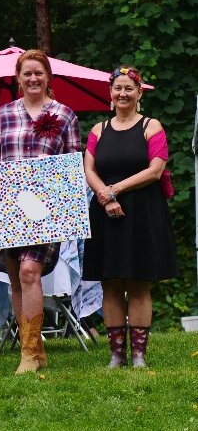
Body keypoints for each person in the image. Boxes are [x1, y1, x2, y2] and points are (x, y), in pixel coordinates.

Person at [0, 49, 81, 374]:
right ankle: (35, 351)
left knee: (29, 272)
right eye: (27, 73)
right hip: (9, 210)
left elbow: (73, 164)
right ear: (18, 78)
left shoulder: (64, 115)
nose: (33, 78)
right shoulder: (5, 113)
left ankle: (28, 352)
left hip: (45, 211)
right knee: (15, 280)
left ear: (48, 76)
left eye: (39, 73)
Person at [82, 66, 178, 368]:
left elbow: (156, 170)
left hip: (142, 212)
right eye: (117, 88)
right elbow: (89, 170)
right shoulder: (99, 129)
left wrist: (115, 191)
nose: (122, 93)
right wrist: (105, 196)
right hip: (105, 213)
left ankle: (138, 355)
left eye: (129, 88)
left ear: (139, 94)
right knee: (110, 282)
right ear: (110, 94)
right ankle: (116, 355)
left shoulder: (152, 126)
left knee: (138, 282)